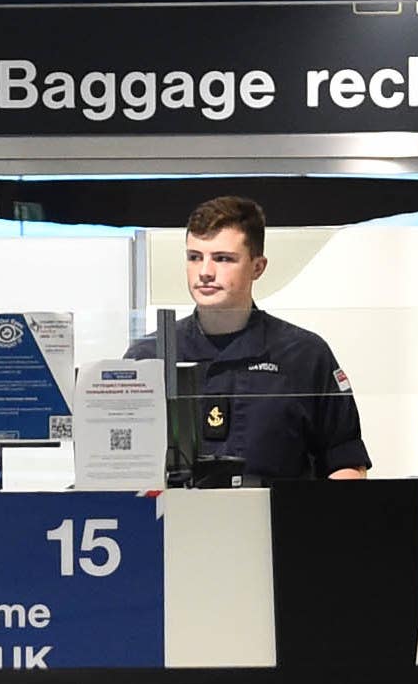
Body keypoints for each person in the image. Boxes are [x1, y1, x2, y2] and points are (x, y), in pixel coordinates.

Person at [128, 193, 372, 482]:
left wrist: (317, 524)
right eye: (195, 257)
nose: (205, 272)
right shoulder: (148, 356)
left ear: (258, 267)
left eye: (223, 259)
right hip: (173, 524)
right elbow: (118, 468)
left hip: (279, 523)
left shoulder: (305, 355)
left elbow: (346, 463)